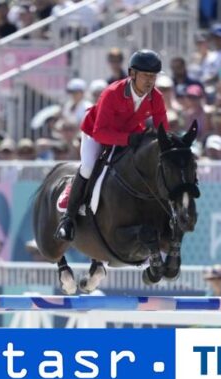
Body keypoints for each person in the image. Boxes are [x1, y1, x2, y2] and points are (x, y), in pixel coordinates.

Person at [54, 50, 169, 242]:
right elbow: (101, 132)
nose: (150, 81)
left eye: (153, 76)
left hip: (129, 133)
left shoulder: (156, 97)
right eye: (146, 76)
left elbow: (163, 131)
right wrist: (128, 139)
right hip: (96, 133)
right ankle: (68, 219)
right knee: (89, 167)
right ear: (132, 74)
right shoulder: (112, 93)